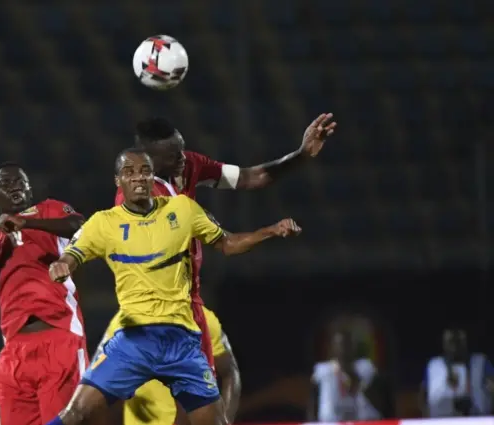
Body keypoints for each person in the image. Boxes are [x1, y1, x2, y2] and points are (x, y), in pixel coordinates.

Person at [45, 148, 301, 425]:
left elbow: (226, 242)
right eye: (129, 172)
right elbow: (73, 253)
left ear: (152, 175)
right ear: (118, 180)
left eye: (144, 171)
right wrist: (63, 265)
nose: (138, 178)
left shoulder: (182, 209)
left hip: (181, 341)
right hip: (134, 340)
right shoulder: (104, 223)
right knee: (76, 414)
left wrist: (270, 231)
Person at [114, 114, 336, 396]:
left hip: (187, 303)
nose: (182, 158)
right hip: (150, 311)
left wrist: (301, 155)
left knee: (201, 398)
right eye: (172, 155)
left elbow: (250, 177)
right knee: (164, 401)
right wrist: (191, 222)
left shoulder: (190, 165)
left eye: (181, 148)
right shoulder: (135, 197)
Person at [0, 163, 88, 425]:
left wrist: (25, 222)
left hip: (59, 338)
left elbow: (79, 225)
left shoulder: (50, 210)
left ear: (29, 188)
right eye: (5, 184)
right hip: (14, 350)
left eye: (19, 181)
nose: (14, 186)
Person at [99, 306, 240, 425]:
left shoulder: (202, 319)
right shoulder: (122, 324)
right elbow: (100, 383)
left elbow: (229, 372)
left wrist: (224, 419)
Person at [308, 330, 387, 422]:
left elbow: (381, 405)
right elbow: (312, 406)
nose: (343, 349)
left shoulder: (366, 371)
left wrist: (358, 383)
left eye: (347, 345)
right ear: (333, 347)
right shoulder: (323, 373)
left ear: (353, 347)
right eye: (340, 345)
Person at [419, 328, 494, 417]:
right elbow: (422, 395)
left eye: (459, 341)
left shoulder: (481, 362)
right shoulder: (434, 366)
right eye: (451, 341)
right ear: (444, 343)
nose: (455, 345)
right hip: (441, 419)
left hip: (476, 419)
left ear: (466, 342)